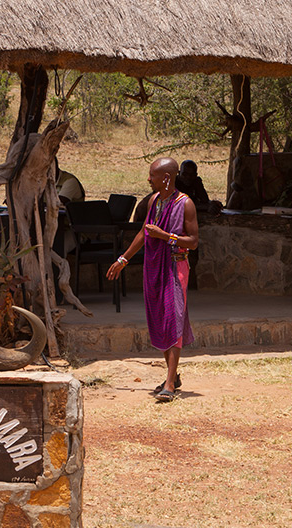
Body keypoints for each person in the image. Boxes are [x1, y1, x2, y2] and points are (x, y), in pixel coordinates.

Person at [107, 157, 198, 402]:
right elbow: (144, 231)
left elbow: (193, 241)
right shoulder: (154, 201)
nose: (149, 179)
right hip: (154, 266)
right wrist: (123, 260)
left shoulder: (185, 204)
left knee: (174, 318)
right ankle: (173, 375)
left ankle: (169, 383)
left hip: (175, 266)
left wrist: (167, 236)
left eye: (152, 175)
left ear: (166, 178)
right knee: (161, 318)